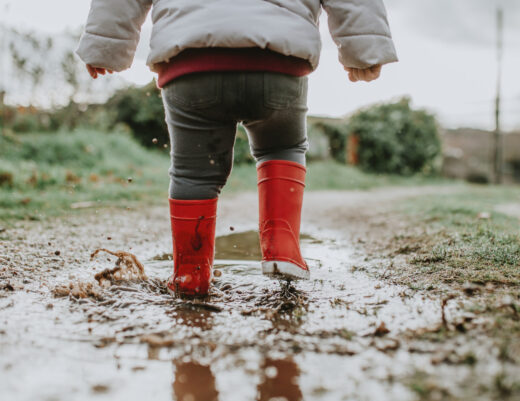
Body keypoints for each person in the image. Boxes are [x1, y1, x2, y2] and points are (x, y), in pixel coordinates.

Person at [77, 0, 397, 297]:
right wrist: (365, 48)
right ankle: (282, 248)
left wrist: (105, 45)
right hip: (279, 59)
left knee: (193, 172)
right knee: (282, 147)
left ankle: (190, 273)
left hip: (190, 58)